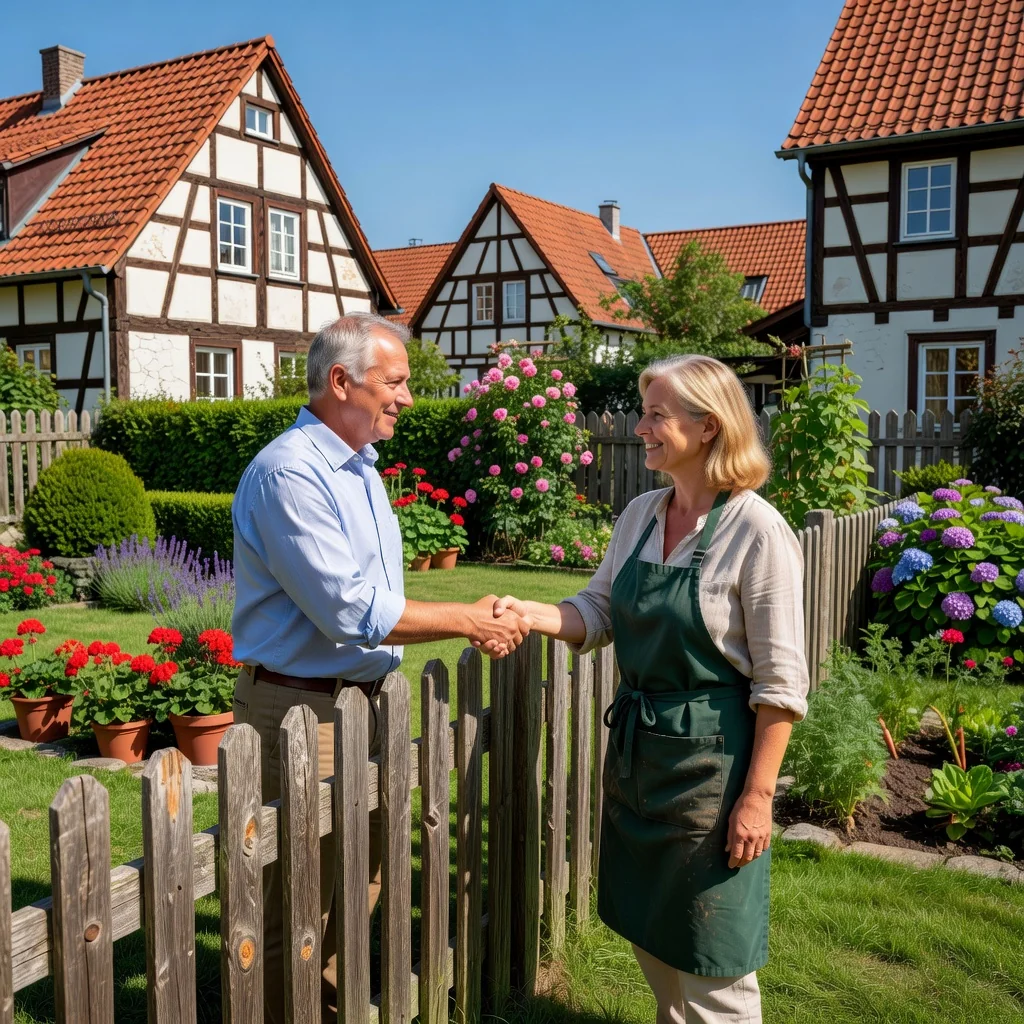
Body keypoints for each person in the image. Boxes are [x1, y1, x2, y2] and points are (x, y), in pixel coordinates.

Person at [231, 312, 529, 1024]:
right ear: (342, 381)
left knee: (353, 881)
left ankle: (325, 1009)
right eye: (395, 381)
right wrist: (467, 619)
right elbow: (349, 609)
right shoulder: (289, 473)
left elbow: (375, 598)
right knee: (296, 897)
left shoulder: (358, 468)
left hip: (358, 704)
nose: (407, 397)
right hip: (304, 711)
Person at [495, 353, 809, 1024]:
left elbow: (782, 685)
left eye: (656, 415)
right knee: (656, 942)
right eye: (645, 413)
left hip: (711, 773)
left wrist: (756, 799)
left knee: (711, 961)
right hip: (641, 761)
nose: (640, 427)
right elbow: (600, 609)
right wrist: (531, 614)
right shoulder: (640, 513)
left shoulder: (758, 531)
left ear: (708, 427)